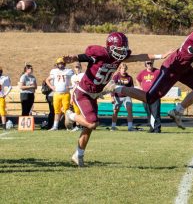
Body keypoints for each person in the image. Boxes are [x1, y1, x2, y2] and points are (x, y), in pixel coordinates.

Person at [62, 31, 170, 167]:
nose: (122, 52)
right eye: (119, 49)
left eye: (123, 49)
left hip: (97, 92)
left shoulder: (118, 57)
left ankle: (78, 155)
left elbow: (139, 57)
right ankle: (70, 115)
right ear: (110, 47)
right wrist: (73, 58)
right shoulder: (99, 53)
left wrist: (161, 55)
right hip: (83, 93)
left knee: (90, 126)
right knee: (92, 123)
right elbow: (85, 57)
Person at [45, 58, 74, 131]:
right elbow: (47, 80)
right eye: (59, 63)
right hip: (57, 94)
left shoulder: (69, 71)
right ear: (57, 64)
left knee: (67, 111)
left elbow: (74, 80)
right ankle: (55, 126)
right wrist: (51, 87)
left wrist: (70, 86)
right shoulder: (54, 71)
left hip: (66, 94)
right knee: (57, 111)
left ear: (64, 64)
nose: (60, 65)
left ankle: (68, 126)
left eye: (62, 63)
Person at [136, 60, 161, 133]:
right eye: (148, 63)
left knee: (156, 112)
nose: (150, 65)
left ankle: (157, 129)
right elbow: (137, 80)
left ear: (153, 63)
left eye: (151, 63)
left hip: (155, 95)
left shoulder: (157, 71)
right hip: (145, 95)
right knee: (149, 112)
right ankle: (151, 128)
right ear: (145, 64)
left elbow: (164, 78)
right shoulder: (142, 73)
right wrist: (140, 88)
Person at [110, 63, 137, 131]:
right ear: (120, 69)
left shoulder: (129, 78)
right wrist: (112, 97)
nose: (123, 70)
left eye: (125, 69)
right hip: (117, 96)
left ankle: (130, 127)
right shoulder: (116, 77)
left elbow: (132, 88)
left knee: (129, 110)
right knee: (115, 111)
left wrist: (132, 95)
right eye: (122, 68)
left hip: (126, 96)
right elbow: (112, 87)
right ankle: (113, 127)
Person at [70, 62, 84, 132]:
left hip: (82, 95)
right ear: (74, 68)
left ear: (81, 67)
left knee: (82, 111)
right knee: (77, 112)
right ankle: (78, 126)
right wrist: (71, 97)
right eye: (76, 67)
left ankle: (83, 125)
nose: (77, 68)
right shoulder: (73, 77)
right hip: (75, 95)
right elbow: (73, 87)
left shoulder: (83, 75)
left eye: (78, 67)